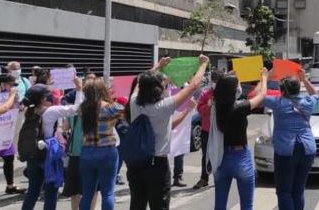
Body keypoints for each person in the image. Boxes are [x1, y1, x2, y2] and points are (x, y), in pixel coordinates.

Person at [127, 55, 208, 210]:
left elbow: (139, 80)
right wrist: (203, 64)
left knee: (136, 205)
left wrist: (158, 65)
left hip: (136, 165)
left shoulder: (134, 102)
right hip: (157, 165)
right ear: (158, 89)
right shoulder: (163, 106)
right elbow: (193, 85)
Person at [21, 78, 84, 210]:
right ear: (43, 98)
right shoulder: (50, 111)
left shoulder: (28, 111)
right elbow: (75, 109)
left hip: (33, 155)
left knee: (33, 190)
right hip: (49, 155)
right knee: (51, 191)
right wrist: (79, 89)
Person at [210, 69, 268, 210]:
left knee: (219, 205)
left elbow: (251, 95)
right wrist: (265, 77)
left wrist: (230, 77)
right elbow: (262, 95)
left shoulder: (216, 105)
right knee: (246, 205)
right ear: (234, 89)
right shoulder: (239, 107)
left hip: (221, 158)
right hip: (240, 157)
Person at [263, 69, 318, 210]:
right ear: (299, 88)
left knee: (284, 192)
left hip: (286, 150)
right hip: (307, 149)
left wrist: (264, 78)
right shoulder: (307, 102)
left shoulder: (278, 103)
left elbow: (261, 96)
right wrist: (304, 79)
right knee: (298, 191)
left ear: (282, 90)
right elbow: (315, 93)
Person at [79, 78, 124, 210]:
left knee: (87, 193)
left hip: (87, 151)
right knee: (108, 192)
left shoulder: (83, 108)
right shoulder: (112, 108)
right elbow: (129, 114)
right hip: (107, 151)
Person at [0, 74, 26, 201]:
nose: (13, 88)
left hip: (6, 131)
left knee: (9, 158)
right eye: (11, 85)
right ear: (2, 84)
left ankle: (10, 185)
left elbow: (18, 109)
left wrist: (20, 107)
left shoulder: (13, 96)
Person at [193, 71, 219, 190]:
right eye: (214, 80)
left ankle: (219, 177)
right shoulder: (205, 93)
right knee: (206, 154)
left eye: (217, 81)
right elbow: (199, 109)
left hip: (219, 130)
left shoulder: (225, 93)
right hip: (207, 130)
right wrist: (208, 105)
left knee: (219, 153)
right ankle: (204, 178)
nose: (215, 83)